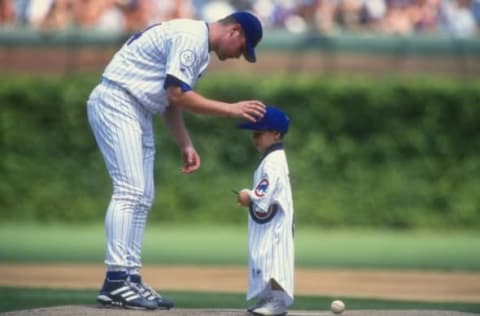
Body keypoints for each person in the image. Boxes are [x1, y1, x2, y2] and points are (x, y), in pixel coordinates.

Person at [86, 11, 265, 310]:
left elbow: (171, 100)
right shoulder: (190, 37)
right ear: (234, 31)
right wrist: (230, 109)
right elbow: (178, 95)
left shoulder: (199, 49)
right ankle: (116, 281)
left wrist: (185, 142)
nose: (239, 56)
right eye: (242, 49)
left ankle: (129, 277)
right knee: (130, 191)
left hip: (136, 108)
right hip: (117, 100)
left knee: (143, 196)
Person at [235, 106, 294, 316]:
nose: (254, 137)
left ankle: (277, 302)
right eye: (254, 133)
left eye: (259, 133)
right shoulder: (271, 159)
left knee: (274, 261)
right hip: (270, 223)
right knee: (264, 259)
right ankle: (269, 298)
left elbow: (263, 194)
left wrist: (246, 195)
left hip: (276, 226)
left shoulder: (273, 162)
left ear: (276, 134)